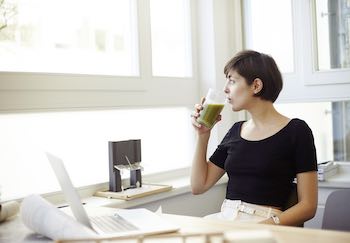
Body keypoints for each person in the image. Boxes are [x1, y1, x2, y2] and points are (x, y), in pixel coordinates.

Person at [190, 50, 318, 226]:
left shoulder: (297, 131)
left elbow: (308, 206)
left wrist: (262, 226)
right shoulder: (235, 130)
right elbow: (198, 186)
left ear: (256, 86)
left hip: (267, 222)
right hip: (226, 219)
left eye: (232, 81)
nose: (226, 89)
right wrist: (203, 135)